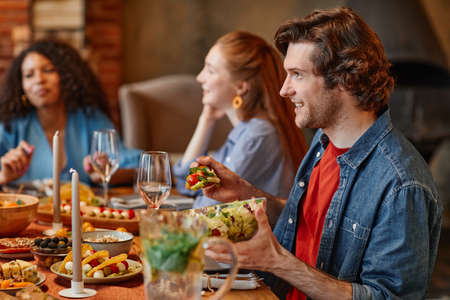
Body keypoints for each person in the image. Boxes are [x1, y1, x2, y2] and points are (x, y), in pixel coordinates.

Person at [198, 8, 442, 300]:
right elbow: (305, 219)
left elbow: (387, 297)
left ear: (343, 80)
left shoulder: (402, 185)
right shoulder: (324, 142)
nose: (283, 90)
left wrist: (279, 262)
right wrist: (246, 192)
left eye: (297, 75)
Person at [172, 31, 308, 218]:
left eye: (210, 70)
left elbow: (207, 206)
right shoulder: (246, 130)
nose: (200, 78)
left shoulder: (258, 134)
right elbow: (186, 183)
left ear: (241, 87)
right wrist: (206, 121)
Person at [0, 39, 141, 185]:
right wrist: (3, 177)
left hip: (84, 207)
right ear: (21, 86)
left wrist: (107, 172)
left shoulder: (90, 118)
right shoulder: (11, 126)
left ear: (67, 75)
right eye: (29, 75)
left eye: (48, 70)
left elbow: (136, 165)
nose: (39, 80)